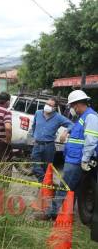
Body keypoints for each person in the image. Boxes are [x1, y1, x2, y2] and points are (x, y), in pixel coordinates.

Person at [38, 90, 98, 220]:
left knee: (64, 187)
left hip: (77, 160)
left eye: (71, 106)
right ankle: (65, 214)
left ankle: (52, 213)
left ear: (77, 105)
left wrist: (85, 159)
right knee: (72, 189)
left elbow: (91, 140)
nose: (71, 109)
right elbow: (78, 133)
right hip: (73, 159)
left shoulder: (91, 117)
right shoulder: (83, 117)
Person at [30, 97, 74, 182]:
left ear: (54, 108)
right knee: (35, 166)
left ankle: (44, 189)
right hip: (37, 145)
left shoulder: (58, 117)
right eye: (46, 104)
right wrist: (33, 136)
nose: (47, 106)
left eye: (50, 105)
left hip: (49, 147)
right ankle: (45, 182)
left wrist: (65, 132)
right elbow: (34, 126)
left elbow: (72, 125)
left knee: (47, 168)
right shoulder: (38, 113)